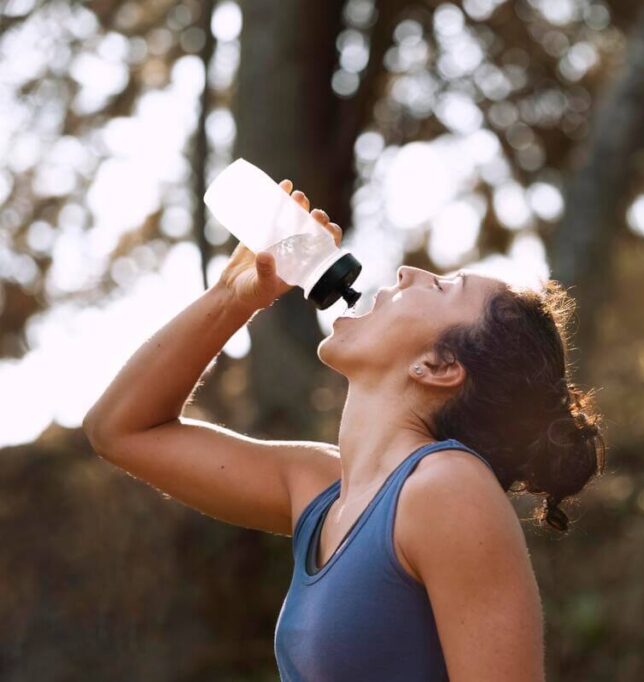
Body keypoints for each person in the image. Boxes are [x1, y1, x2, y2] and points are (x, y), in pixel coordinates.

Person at [84, 179, 606, 681]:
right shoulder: (321, 488)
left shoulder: (446, 488)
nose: (407, 272)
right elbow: (119, 429)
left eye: (443, 286)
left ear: (439, 365)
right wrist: (233, 296)